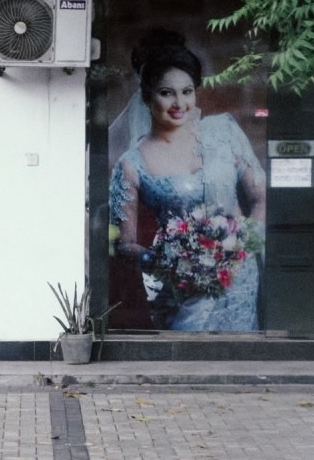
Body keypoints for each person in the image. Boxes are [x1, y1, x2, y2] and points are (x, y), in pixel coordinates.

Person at [109, 29, 266, 332]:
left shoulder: (224, 133)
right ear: (146, 96)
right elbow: (124, 243)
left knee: (240, 358)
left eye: (187, 91)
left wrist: (241, 248)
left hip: (238, 278)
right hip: (180, 287)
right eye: (166, 93)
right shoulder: (131, 163)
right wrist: (171, 261)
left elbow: (260, 198)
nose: (179, 103)